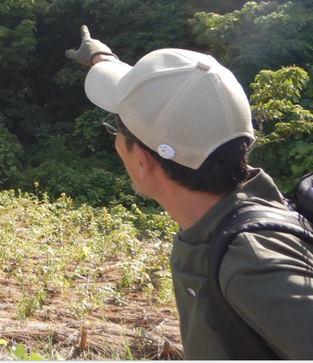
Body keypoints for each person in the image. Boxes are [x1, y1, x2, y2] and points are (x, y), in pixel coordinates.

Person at [65, 25, 313, 359]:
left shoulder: (253, 268)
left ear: (143, 162)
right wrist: (101, 58)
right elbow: (169, 103)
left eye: (116, 129)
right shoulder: (229, 207)